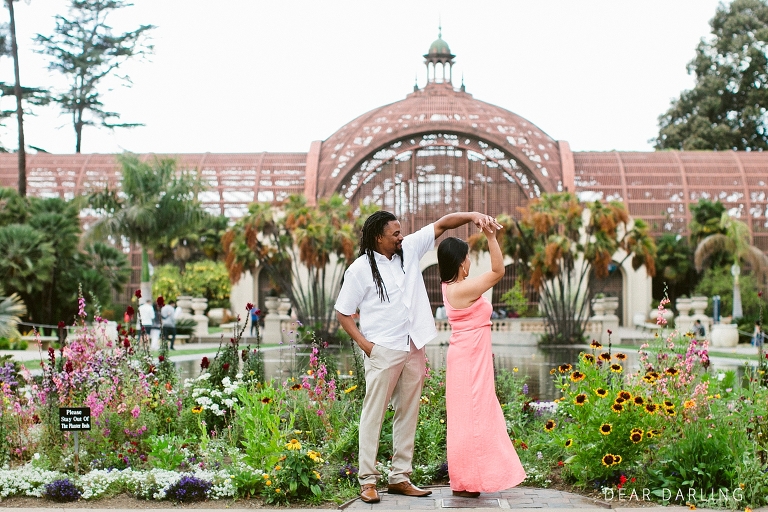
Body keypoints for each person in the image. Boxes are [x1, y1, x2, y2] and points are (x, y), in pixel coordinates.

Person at [335, 210, 497, 504]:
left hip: (413, 346)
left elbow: (443, 223)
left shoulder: (409, 249)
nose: (400, 237)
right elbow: (343, 313)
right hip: (383, 349)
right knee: (374, 415)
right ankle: (367, 481)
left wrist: (473, 216)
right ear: (377, 237)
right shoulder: (359, 269)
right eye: (394, 234)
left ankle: (400, 477)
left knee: (408, 413)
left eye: (400, 232)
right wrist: (366, 346)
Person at [437, 222, 526, 498]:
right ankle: (467, 481)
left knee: (469, 418)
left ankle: (467, 480)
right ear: (461, 262)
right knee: (471, 418)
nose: (469, 262)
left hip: (470, 356)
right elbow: (498, 271)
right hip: (469, 360)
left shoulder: (454, 287)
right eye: (467, 257)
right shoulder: (460, 289)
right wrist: (491, 237)